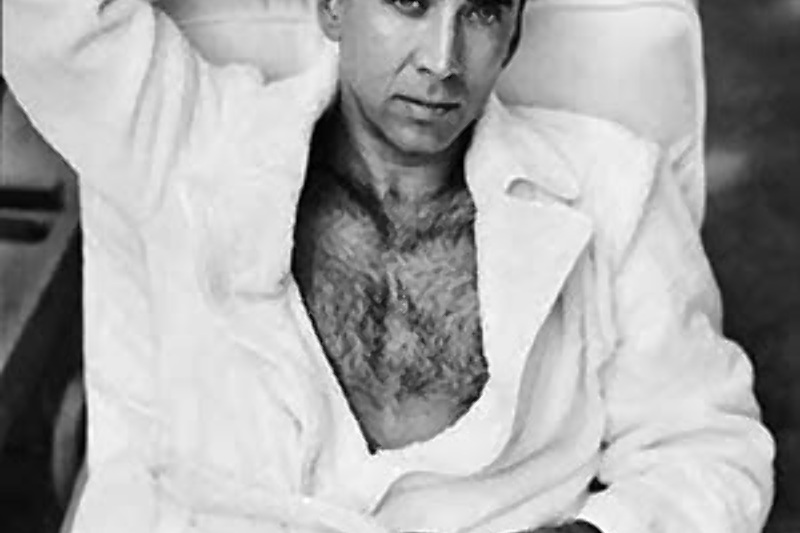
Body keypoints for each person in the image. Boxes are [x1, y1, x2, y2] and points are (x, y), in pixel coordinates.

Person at [2, 0, 775, 532]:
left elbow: (708, 448)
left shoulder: (613, 191)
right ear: (331, 8)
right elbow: (47, 21)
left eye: (481, 13)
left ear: (514, 32)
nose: (442, 61)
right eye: (408, 3)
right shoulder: (193, 142)